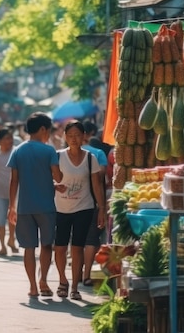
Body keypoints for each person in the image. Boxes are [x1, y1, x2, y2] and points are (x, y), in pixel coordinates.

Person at [7, 112, 63, 297]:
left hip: (24, 207)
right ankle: (44, 281)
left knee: (28, 248)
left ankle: (32, 286)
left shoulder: (18, 150)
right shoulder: (49, 151)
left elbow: (14, 181)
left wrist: (11, 207)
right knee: (46, 245)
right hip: (46, 206)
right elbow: (58, 176)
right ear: (42, 130)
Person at [54, 120, 106, 300]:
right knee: (59, 248)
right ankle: (62, 281)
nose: (74, 139)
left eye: (77, 135)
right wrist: (54, 185)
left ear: (84, 136)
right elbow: (49, 178)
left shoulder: (91, 158)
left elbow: (97, 185)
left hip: (84, 208)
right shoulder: (58, 156)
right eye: (70, 136)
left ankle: (75, 286)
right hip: (60, 208)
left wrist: (102, 209)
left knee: (77, 248)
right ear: (65, 137)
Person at [80, 121, 109, 287]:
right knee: (91, 238)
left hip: (72, 201)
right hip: (93, 200)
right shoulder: (98, 153)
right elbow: (101, 176)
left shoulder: (66, 154)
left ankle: (76, 275)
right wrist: (102, 207)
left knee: (76, 239)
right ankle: (86, 275)